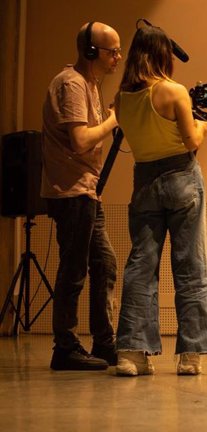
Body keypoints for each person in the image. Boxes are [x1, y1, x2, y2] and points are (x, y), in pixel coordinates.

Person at [114, 23, 207, 376]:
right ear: (162, 54)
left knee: (141, 267)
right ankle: (190, 355)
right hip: (182, 179)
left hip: (144, 182)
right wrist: (202, 127)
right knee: (190, 267)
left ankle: (131, 353)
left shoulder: (121, 99)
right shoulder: (174, 92)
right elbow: (191, 143)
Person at [41, 22, 122, 370]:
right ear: (92, 52)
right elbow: (81, 140)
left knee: (104, 264)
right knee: (74, 270)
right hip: (72, 192)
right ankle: (65, 347)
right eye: (112, 50)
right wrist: (114, 120)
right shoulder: (72, 84)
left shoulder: (91, 83)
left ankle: (104, 343)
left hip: (87, 190)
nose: (118, 56)